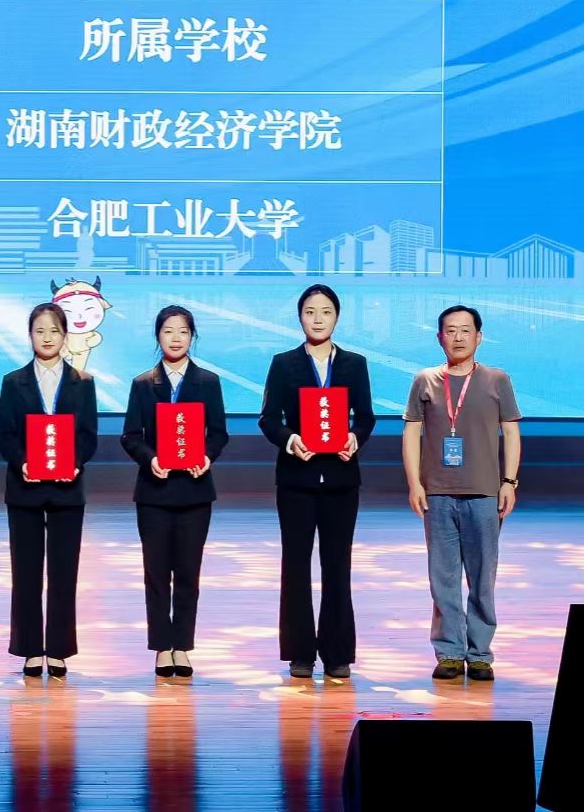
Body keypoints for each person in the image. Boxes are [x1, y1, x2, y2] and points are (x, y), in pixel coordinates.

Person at [258, 284, 377, 679]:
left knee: (337, 565)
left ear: (337, 317)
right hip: (296, 478)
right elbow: (268, 419)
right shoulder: (284, 363)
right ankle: (300, 653)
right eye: (310, 311)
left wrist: (354, 437)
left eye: (326, 311)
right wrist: (290, 439)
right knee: (295, 566)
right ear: (300, 317)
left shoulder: (354, 364)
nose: (318, 319)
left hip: (342, 479)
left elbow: (366, 417)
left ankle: (337, 653)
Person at [402, 304, 522, 682]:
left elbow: (511, 432)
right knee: (443, 577)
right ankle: (450, 652)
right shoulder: (425, 380)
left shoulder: (496, 380)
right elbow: (411, 433)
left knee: (483, 576)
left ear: (479, 337)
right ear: (440, 337)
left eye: (465, 330)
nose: (458, 337)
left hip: (485, 493)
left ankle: (480, 653)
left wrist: (509, 482)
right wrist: (415, 483)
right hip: (438, 493)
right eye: (450, 331)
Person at [120, 305, 229, 679]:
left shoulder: (208, 382)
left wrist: (206, 456)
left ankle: (181, 645)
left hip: (195, 492)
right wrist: (150, 458)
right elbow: (130, 436)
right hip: (154, 492)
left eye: (183, 331)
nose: (176, 338)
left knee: (187, 572)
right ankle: (161, 647)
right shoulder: (142, 384)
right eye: (168, 331)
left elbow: (218, 433)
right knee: (155, 573)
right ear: (158, 336)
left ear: (192, 336)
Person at [0, 301, 99, 678]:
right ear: (30, 336)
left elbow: (88, 435)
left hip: (68, 490)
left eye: (54, 330)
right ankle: (28, 649)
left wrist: (75, 463)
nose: (47, 337)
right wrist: (23, 463)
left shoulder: (83, 382)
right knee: (25, 572)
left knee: (63, 572)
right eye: (40, 331)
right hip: (25, 489)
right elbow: (3, 433)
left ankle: (58, 649)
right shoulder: (13, 381)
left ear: (65, 336)